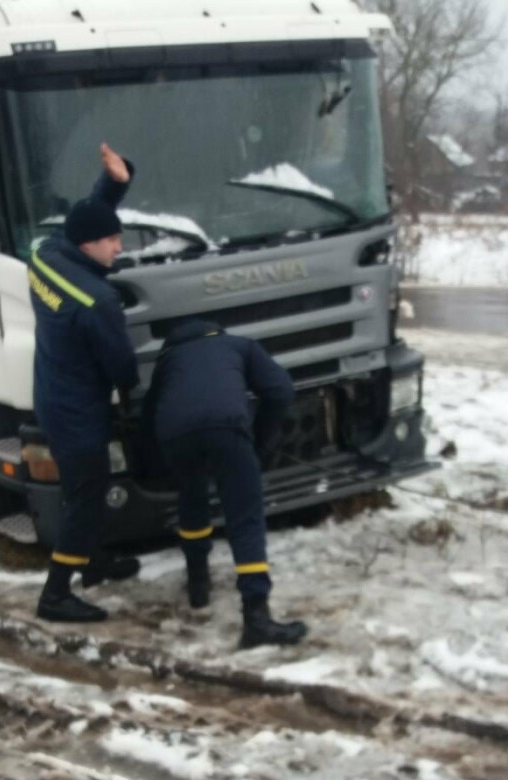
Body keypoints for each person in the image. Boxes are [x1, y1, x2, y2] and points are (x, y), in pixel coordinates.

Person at [142, 318, 308, 649]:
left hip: (174, 434)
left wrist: (158, 457)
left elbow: (149, 412)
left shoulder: (168, 359)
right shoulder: (239, 345)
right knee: (244, 516)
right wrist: (260, 440)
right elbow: (281, 390)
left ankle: (198, 586)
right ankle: (256, 617)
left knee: (192, 498)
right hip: (227, 428)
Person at [29, 143, 141, 623]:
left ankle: (94, 563)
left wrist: (112, 186)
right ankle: (56, 593)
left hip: (52, 395)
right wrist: (135, 401)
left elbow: (84, 219)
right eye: (112, 241)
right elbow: (122, 366)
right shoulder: (97, 300)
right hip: (79, 412)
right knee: (84, 496)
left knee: (87, 489)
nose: (119, 247)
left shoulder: (45, 255)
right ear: (89, 246)